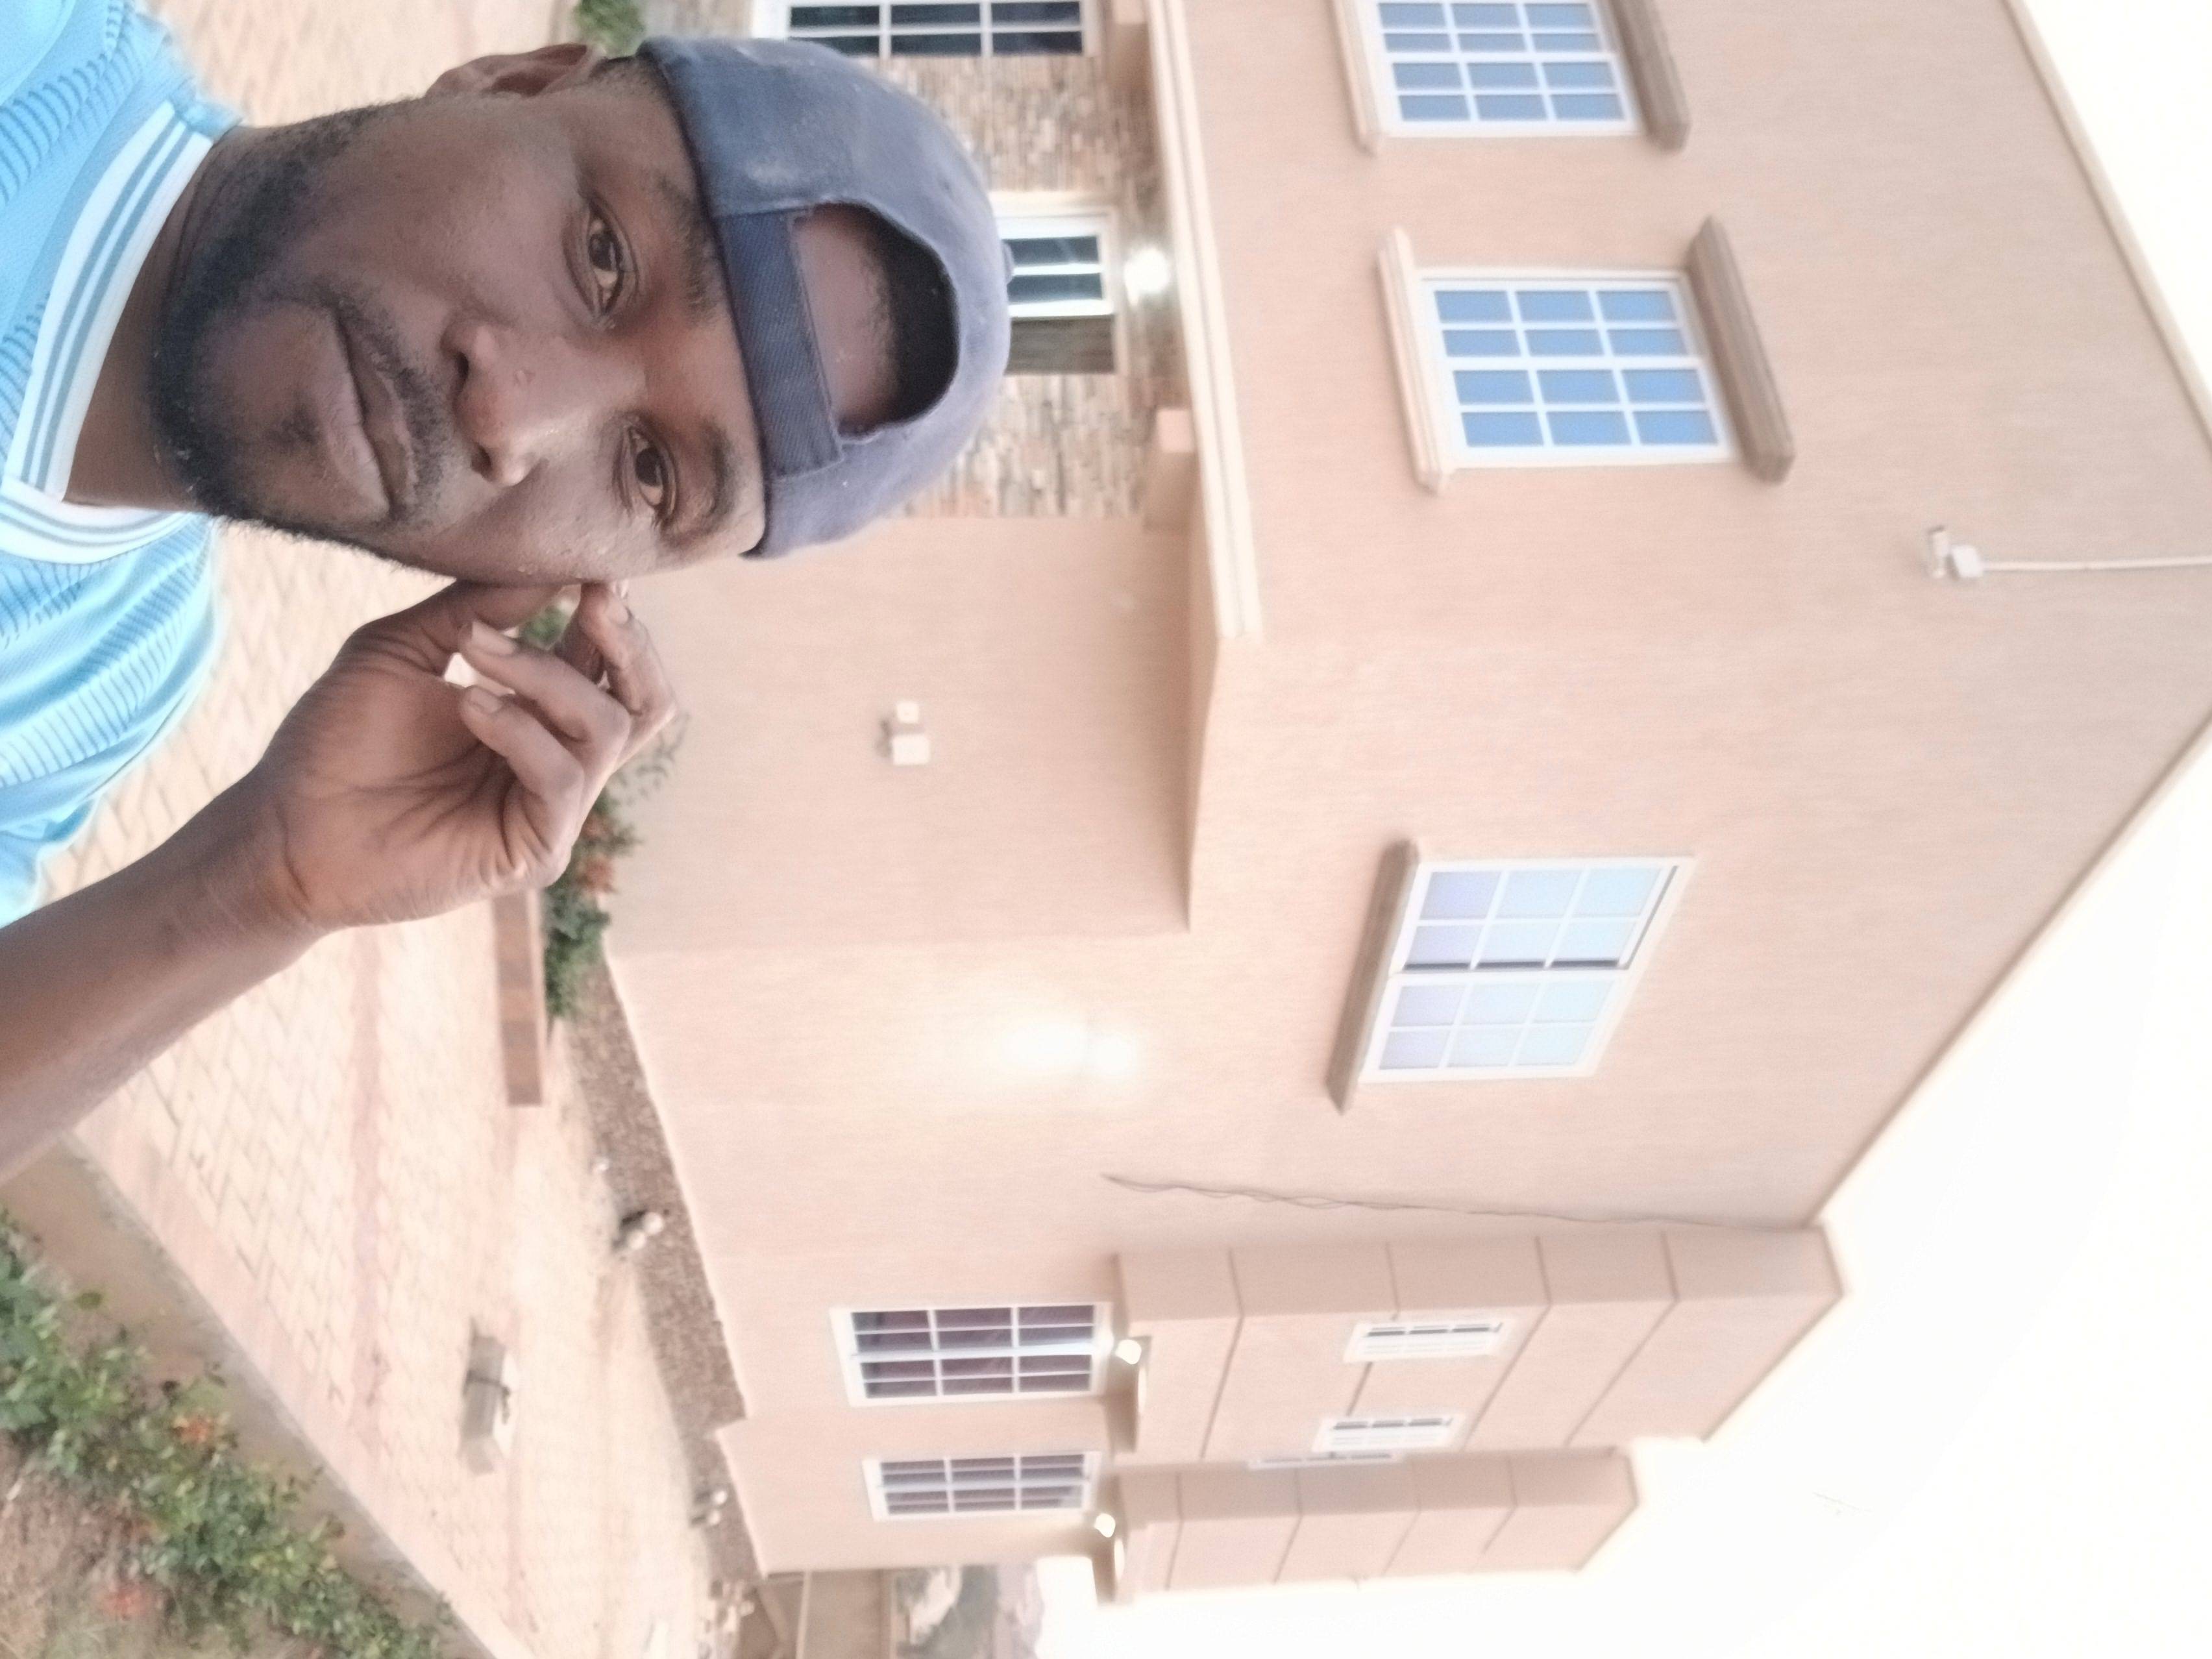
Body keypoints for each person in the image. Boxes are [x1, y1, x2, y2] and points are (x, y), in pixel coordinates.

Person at [0, 0, 1011, 1166]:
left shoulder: (104, 677)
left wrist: (251, 888)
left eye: (649, 471)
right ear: (513, 80)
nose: (514, 413)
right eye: (602, 258)